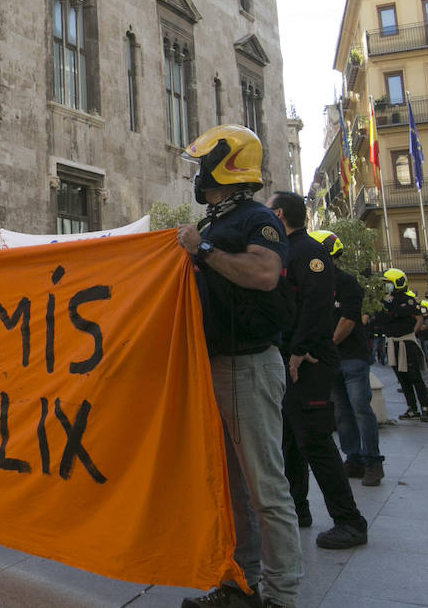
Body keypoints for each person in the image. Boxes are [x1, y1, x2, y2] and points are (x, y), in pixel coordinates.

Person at [175, 126, 301, 608]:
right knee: (234, 490)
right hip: (217, 363)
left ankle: (282, 595)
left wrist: (202, 252)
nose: (198, 175)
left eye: (203, 164)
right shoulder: (213, 223)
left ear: (226, 167)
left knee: (266, 489)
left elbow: (264, 275)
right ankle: (241, 584)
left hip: (249, 366)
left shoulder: (258, 220)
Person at [268, 194, 368, 551]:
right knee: (292, 439)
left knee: (315, 441)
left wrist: (299, 350)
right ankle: (298, 508)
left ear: (278, 214)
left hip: (308, 360)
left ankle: (350, 521)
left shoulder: (308, 251)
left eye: (268, 210)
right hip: (293, 357)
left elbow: (315, 304)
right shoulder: (286, 250)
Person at [310, 230, 384, 487]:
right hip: (329, 359)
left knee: (360, 408)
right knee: (341, 412)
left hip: (352, 357)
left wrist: (328, 345)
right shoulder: (313, 283)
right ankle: (353, 458)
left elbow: (349, 319)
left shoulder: (347, 283)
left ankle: (373, 461)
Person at [371, 269, 428, 421]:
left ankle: (425, 407)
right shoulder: (383, 301)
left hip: (407, 342)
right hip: (392, 343)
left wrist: (412, 334)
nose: (386, 286)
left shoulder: (407, 299)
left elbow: (418, 318)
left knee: (415, 376)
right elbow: (381, 318)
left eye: (388, 283)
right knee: (402, 378)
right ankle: (412, 408)